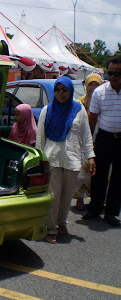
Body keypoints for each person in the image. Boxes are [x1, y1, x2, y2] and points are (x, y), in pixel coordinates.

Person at [36, 76, 96, 244]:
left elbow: (86, 135)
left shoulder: (79, 110)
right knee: (53, 195)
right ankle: (51, 228)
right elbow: (40, 138)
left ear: (70, 91)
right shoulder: (47, 110)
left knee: (67, 195)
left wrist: (90, 156)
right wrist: (40, 160)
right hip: (52, 158)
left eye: (64, 90)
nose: (61, 93)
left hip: (72, 158)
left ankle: (62, 223)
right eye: (58, 90)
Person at [83, 56, 121, 227]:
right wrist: (88, 145)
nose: (113, 77)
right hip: (104, 138)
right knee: (99, 176)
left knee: (118, 178)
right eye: (110, 73)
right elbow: (92, 120)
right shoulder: (99, 92)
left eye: (117, 73)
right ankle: (95, 208)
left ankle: (111, 212)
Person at [74, 73, 103, 210]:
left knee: (98, 172)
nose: (93, 87)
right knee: (82, 172)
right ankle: (80, 199)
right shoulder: (80, 102)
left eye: (96, 84)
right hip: (83, 141)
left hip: (100, 139)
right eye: (91, 84)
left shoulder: (103, 101)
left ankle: (96, 199)